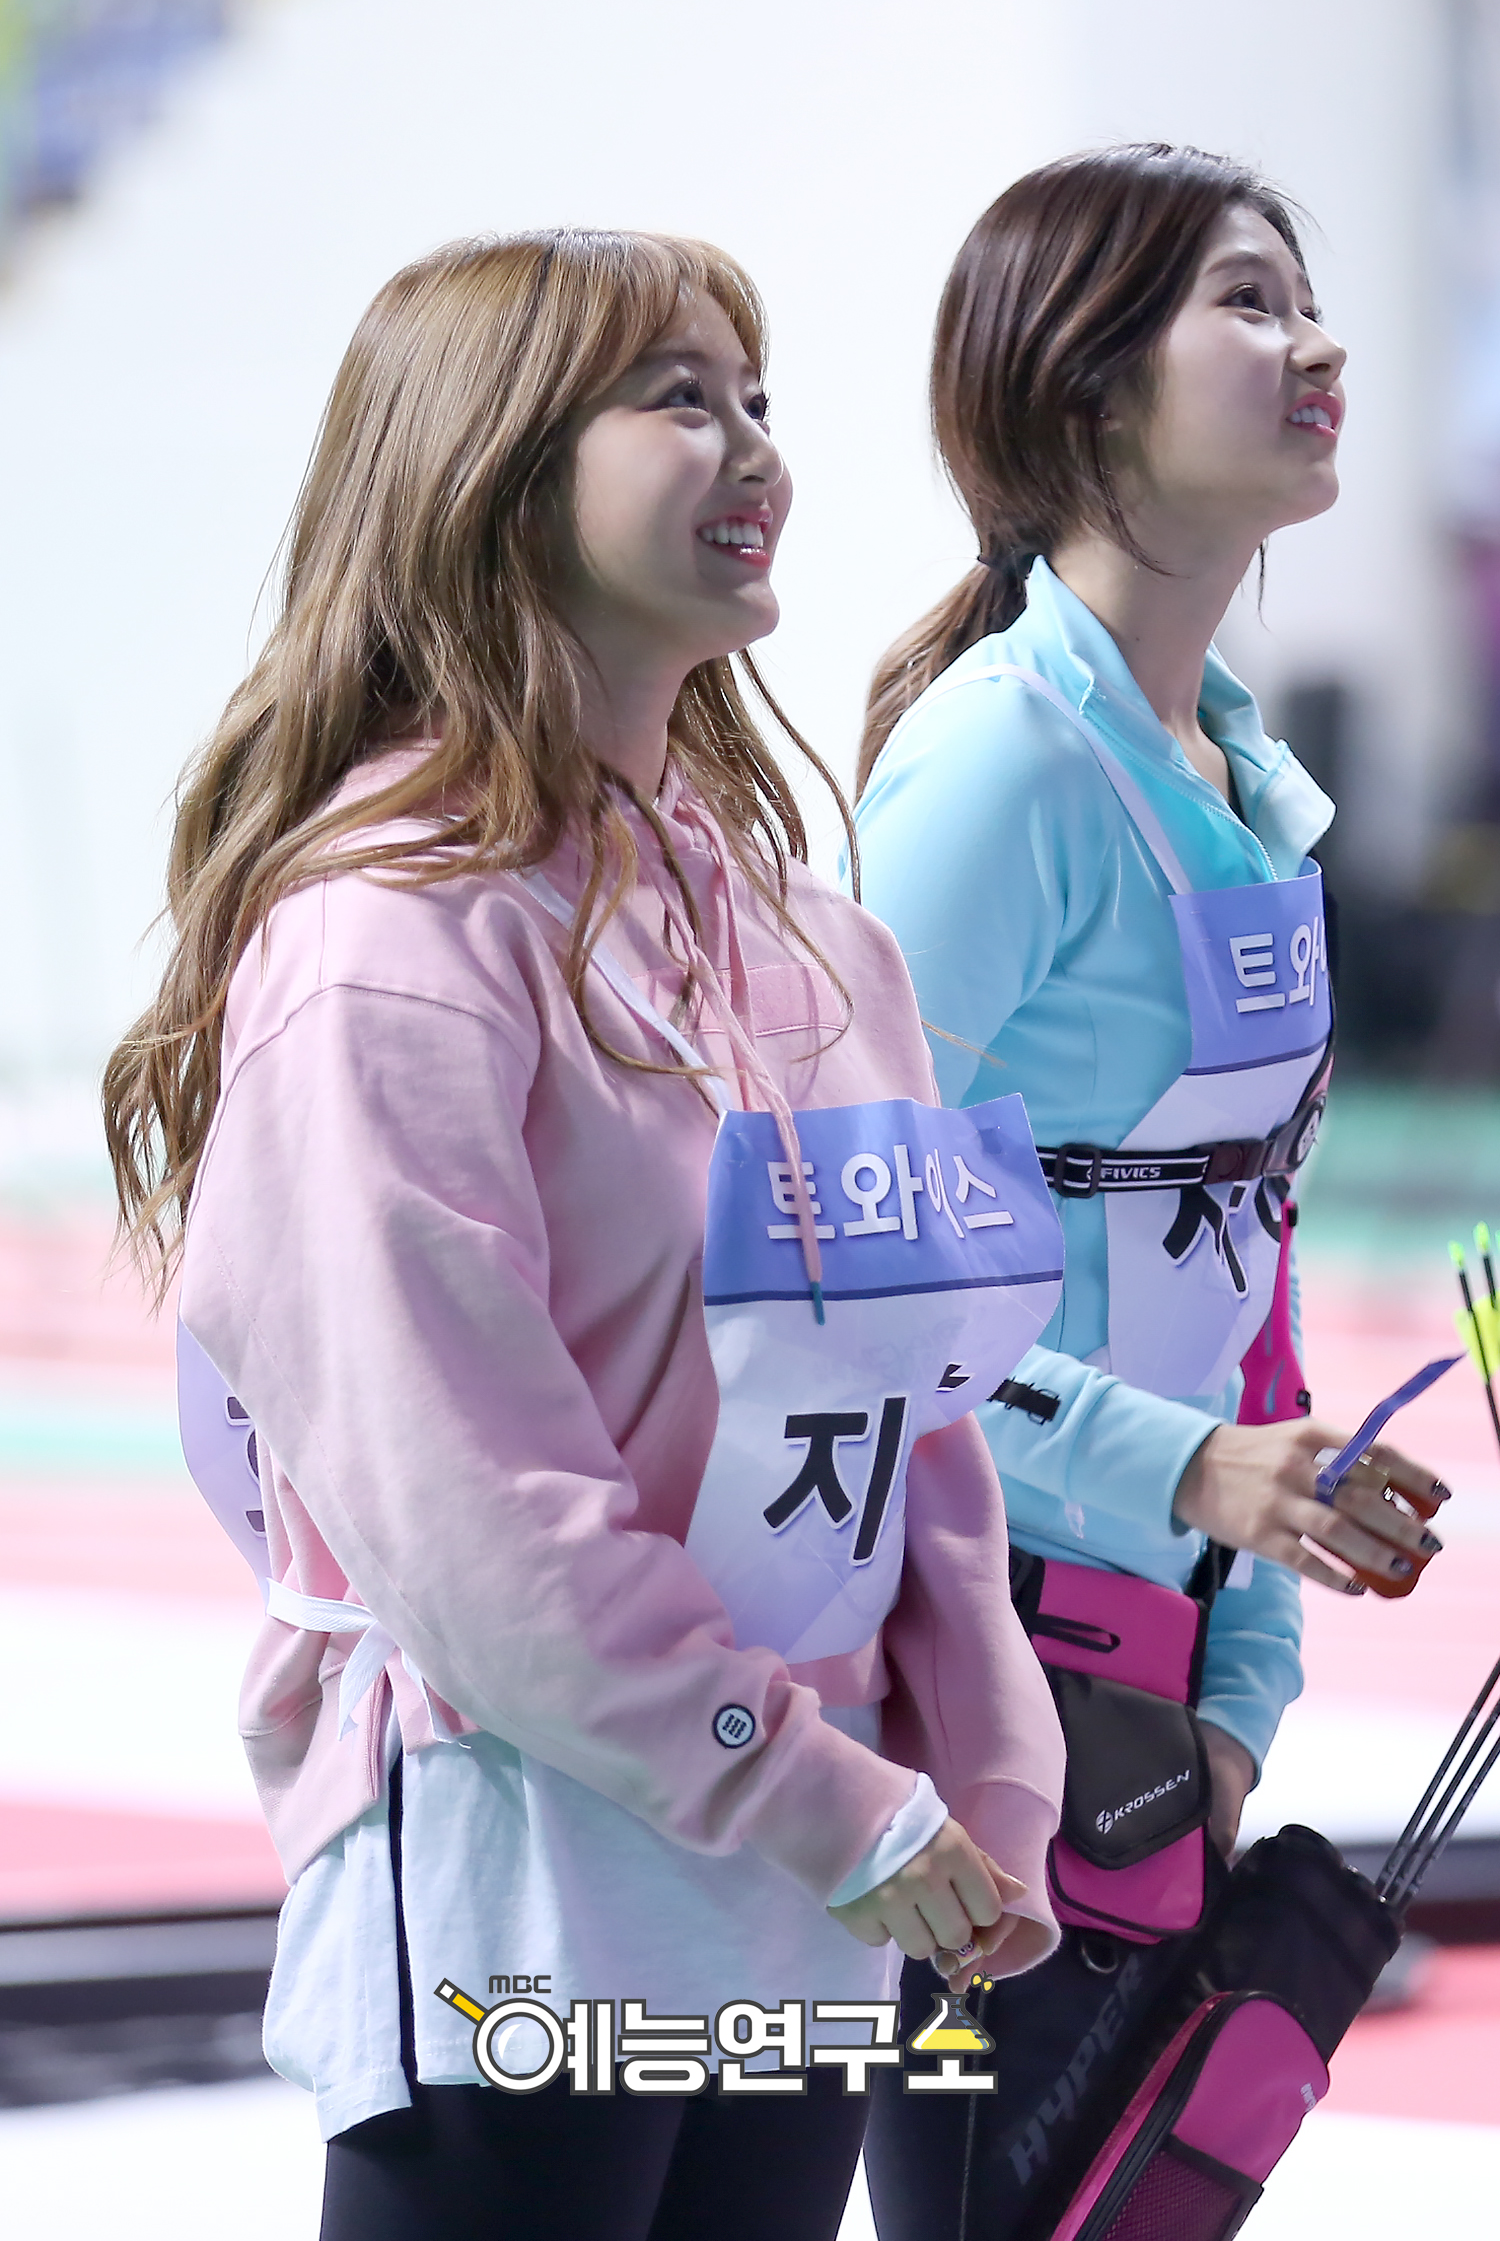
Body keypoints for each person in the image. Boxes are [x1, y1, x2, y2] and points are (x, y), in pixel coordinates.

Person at [102, 229, 1068, 2241]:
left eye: (759, 398)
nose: (755, 448)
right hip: (529, 1870)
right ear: (499, 470)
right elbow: (464, 1502)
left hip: (828, 1871)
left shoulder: (821, 947)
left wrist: (986, 1765)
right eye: (679, 399)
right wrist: (814, 1788)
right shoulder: (389, 946)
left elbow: (920, 1413)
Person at [849, 145, 1447, 2239]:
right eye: (1250, 303)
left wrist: (1241, 1686)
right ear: (1089, 390)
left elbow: (1243, 1266)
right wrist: (1186, 1470)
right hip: (960, 1671)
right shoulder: (997, 767)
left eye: (1309, 297)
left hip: (1158, 1701)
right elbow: (840, 1298)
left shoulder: (1248, 790)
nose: (1321, 346)